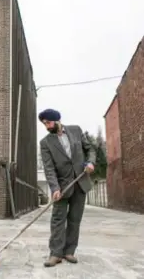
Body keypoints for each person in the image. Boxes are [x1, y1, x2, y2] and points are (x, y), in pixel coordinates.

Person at [39, 108, 96, 267]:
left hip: (80, 182)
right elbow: (49, 168)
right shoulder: (45, 143)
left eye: (48, 123)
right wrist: (55, 188)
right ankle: (55, 254)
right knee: (58, 220)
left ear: (57, 120)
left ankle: (69, 251)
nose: (47, 126)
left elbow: (89, 149)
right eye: (44, 124)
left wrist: (91, 162)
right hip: (62, 187)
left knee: (74, 219)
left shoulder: (75, 130)